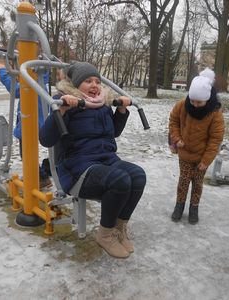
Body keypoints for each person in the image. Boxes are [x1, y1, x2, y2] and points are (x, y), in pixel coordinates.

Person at [39, 62, 146, 259]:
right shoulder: (66, 102)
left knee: (138, 176)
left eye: (97, 81)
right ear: (76, 84)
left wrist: (121, 110)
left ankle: (119, 229)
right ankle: (105, 235)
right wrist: (62, 109)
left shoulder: (101, 103)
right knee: (120, 180)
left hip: (106, 159)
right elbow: (45, 139)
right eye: (88, 81)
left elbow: (112, 132)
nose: (94, 85)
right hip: (76, 167)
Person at [168, 68, 225, 224]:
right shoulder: (183, 106)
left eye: (199, 102)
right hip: (185, 153)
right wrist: (177, 138)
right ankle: (179, 206)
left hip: (202, 156)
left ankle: (194, 208)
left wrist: (206, 160)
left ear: (208, 98)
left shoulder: (215, 113)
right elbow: (173, 121)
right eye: (192, 100)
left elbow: (215, 139)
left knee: (198, 184)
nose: (195, 105)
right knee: (183, 181)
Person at [0, 61, 52, 189]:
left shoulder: (32, 83)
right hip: (36, 122)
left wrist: (2, 70)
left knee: (27, 154)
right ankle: (36, 175)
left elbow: (14, 89)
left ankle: (42, 177)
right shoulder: (42, 81)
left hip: (29, 123)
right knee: (29, 153)